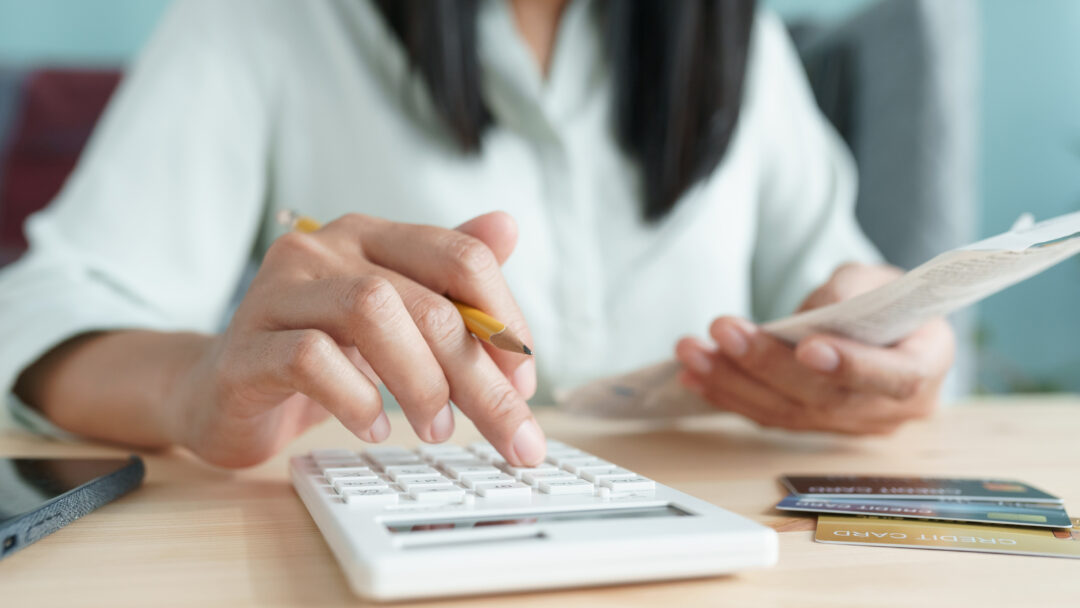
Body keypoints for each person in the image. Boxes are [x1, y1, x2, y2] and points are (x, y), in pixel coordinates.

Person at [0, 0, 955, 468]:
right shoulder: (269, 19)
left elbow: (836, 276)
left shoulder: (733, 29)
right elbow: (43, 313)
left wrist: (886, 334)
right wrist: (196, 386)